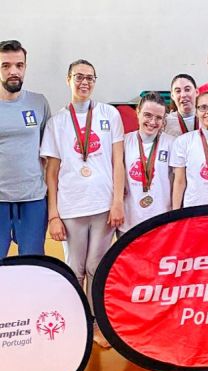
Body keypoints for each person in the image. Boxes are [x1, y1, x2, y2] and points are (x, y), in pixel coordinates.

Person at [40, 59, 124, 348]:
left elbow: (117, 162)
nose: (84, 82)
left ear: (95, 81)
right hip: (72, 206)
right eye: (78, 77)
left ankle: (98, 323)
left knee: (96, 267)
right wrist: (53, 215)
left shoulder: (109, 115)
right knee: (75, 268)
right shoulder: (57, 122)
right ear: (68, 80)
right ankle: (78, 324)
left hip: (103, 206)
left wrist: (117, 201)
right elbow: (51, 173)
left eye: (90, 77)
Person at [0, 40, 51, 258]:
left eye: (19, 65)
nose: (14, 71)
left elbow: (49, 154)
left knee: (33, 263)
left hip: (33, 200)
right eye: (6, 65)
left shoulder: (38, 102)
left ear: (25, 67)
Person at [118, 92, 174, 235]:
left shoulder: (172, 143)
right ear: (138, 112)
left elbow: (178, 181)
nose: (153, 122)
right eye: (148, 115)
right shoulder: (123, 142)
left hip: (161, 221)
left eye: (158, 118)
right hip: (129, 222)